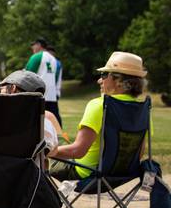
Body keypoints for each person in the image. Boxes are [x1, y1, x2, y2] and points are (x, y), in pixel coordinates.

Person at [50, 51, 149, 181]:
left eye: (104, 75)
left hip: (86, 174)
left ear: (119, 80)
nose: (99, 80)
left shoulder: (100, 105)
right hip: (122, 176)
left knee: (47, 117)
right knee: (51, 119)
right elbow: (139, 153)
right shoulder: (143, 110)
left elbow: (78, 151)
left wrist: (46, 152)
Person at [0, 70, 59, 156]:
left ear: (13, 88)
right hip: (26, 168)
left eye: (1, 88)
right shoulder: (44, 125)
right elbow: (54, 152)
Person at [25, 38, 60, 124]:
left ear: (39, 45)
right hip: (51, 95)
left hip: (38, 94)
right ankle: (58, 136)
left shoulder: (36, 57)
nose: (32, 48)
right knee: (53, 120)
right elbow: (56, 77)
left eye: (33, 45)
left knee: (36, 121)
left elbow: (27, 75)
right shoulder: (54, 59)